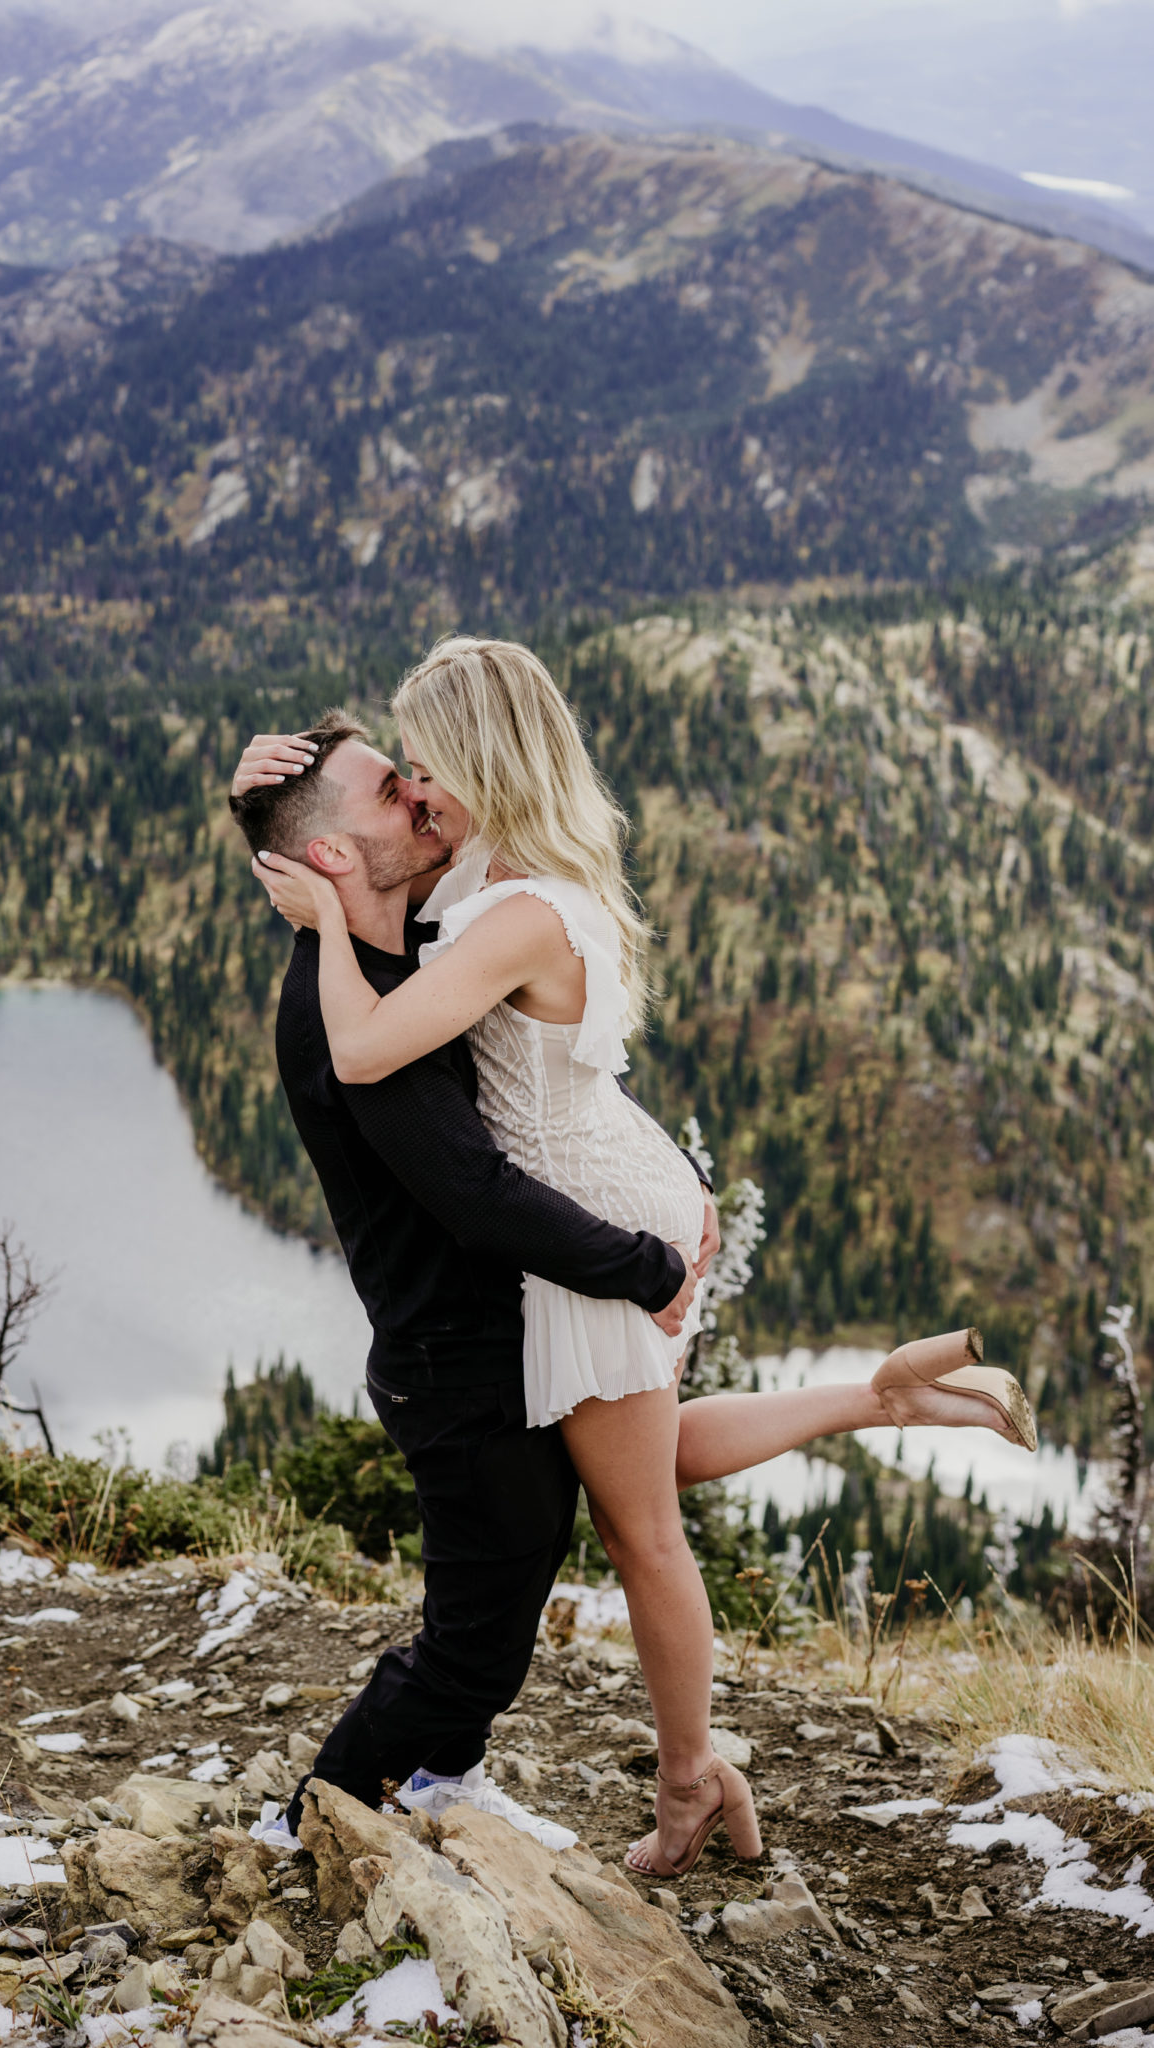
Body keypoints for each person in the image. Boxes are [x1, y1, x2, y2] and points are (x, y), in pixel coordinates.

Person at [243, 636, 1038, 1880]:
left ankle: (688, 1781)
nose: (414, 790)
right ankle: (879, 1394)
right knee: (639, 1452)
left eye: (422, 770)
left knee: (641, 1529)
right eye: (395, 777)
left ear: (477, 766)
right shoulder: (515, 861)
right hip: (620, 1191)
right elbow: (360, 862)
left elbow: (374, 1047)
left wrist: (321, 917)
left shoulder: (498, 905)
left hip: (594, 1231)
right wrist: (260, 810)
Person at [228, 708, 712, 1854]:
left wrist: (249, 776)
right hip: (455, 1367)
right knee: (472, 1646)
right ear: (337, 859)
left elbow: (362, 810)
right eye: (392, 791)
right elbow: (480, 1194)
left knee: (512, 1594)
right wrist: (644, 1266)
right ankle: (308, 1823)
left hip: (497, 1342)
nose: (418, 794)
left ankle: (442, 1774)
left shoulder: (407, 938)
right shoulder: (345, 1005)